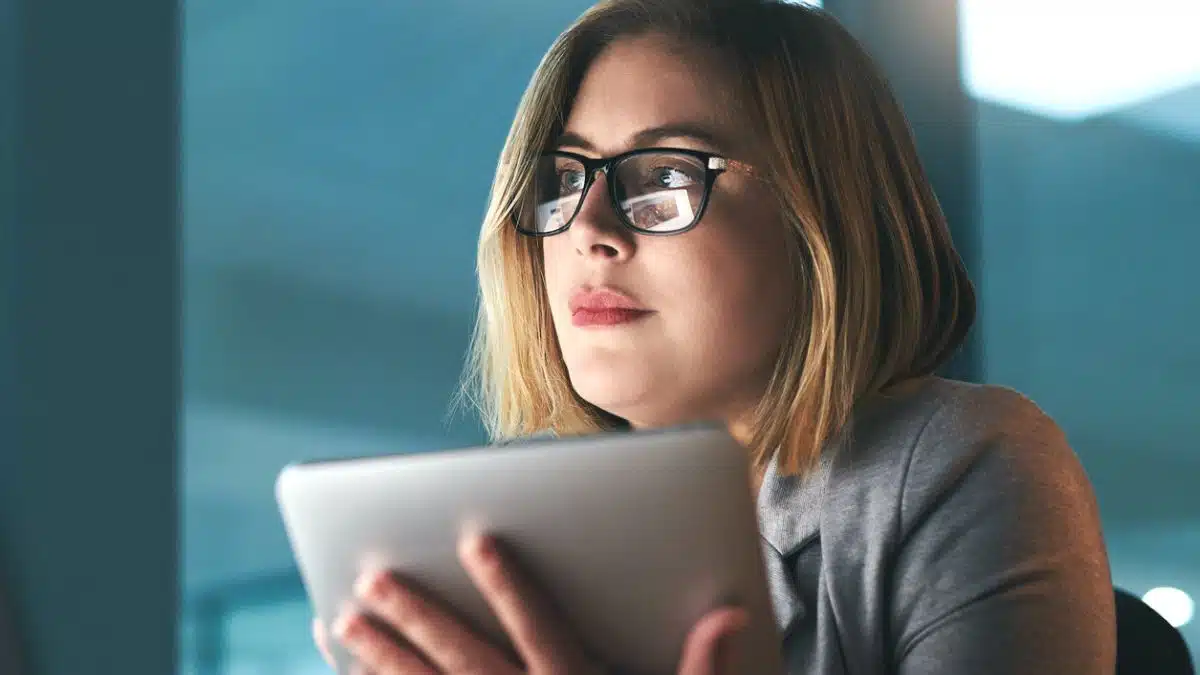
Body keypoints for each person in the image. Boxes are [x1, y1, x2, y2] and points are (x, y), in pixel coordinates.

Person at [313, 0, 1116, 672]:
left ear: (821, 219)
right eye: (563, 179)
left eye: (664, 175)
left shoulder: (956, 463)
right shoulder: (510, 525)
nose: (588, 228)